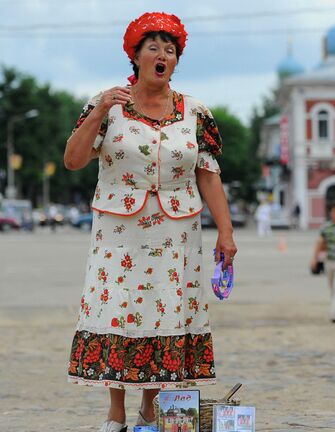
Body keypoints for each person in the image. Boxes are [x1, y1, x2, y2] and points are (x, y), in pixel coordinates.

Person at [63, 13, 237, 432]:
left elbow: (208, 174)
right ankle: (116, 412)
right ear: (136, 56)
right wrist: (100, 110)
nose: (163, 56)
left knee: (166, 310)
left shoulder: (196, 112)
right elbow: (73, 160)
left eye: (170, 50)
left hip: (176, 230)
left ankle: (150, 409)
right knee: (120, 310)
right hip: (118, 231)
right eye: (154, 48)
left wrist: (226, 232)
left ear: (176, 61)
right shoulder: (106, 106)